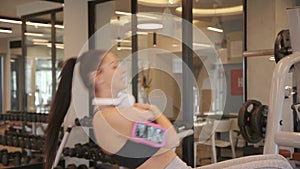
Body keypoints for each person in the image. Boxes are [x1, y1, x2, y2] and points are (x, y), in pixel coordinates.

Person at [44, 50, 292, 169]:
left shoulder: (116, 112)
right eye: (114, 65)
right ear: (97, 77)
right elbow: (169, 139)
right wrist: (152, 109)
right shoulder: (110, 118)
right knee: (278, 167)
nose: (121, 69)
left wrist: (141, 112)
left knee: (277, 160)